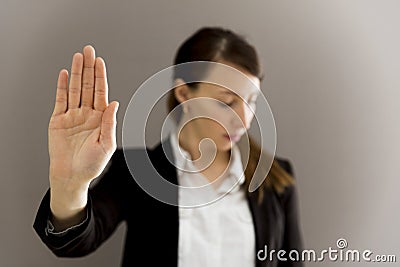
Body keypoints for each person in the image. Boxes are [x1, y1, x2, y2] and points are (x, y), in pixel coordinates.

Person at [33, 27, 304, 267]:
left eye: (251, 101)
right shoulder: (137, 171)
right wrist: (71, 185)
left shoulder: (275, 178)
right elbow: (75, 243)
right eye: (228, 102)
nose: (244, 120)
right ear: (184, 93)